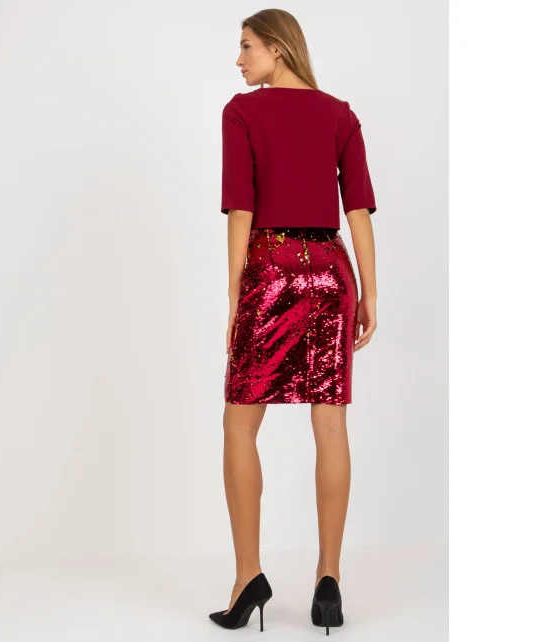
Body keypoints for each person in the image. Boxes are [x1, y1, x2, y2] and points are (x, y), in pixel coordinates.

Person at [208, 9, 378, 634]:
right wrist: (369, 292)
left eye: (247, 46)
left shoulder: (242, 113)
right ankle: (328, 581)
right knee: (330, 424)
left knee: (238, 423)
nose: (239, 60)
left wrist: (236, 294)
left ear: (278, 49)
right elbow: (357, 211)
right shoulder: (340, 114)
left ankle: (248, 577)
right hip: (333, 272)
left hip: (271, 269)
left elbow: (241, 209)